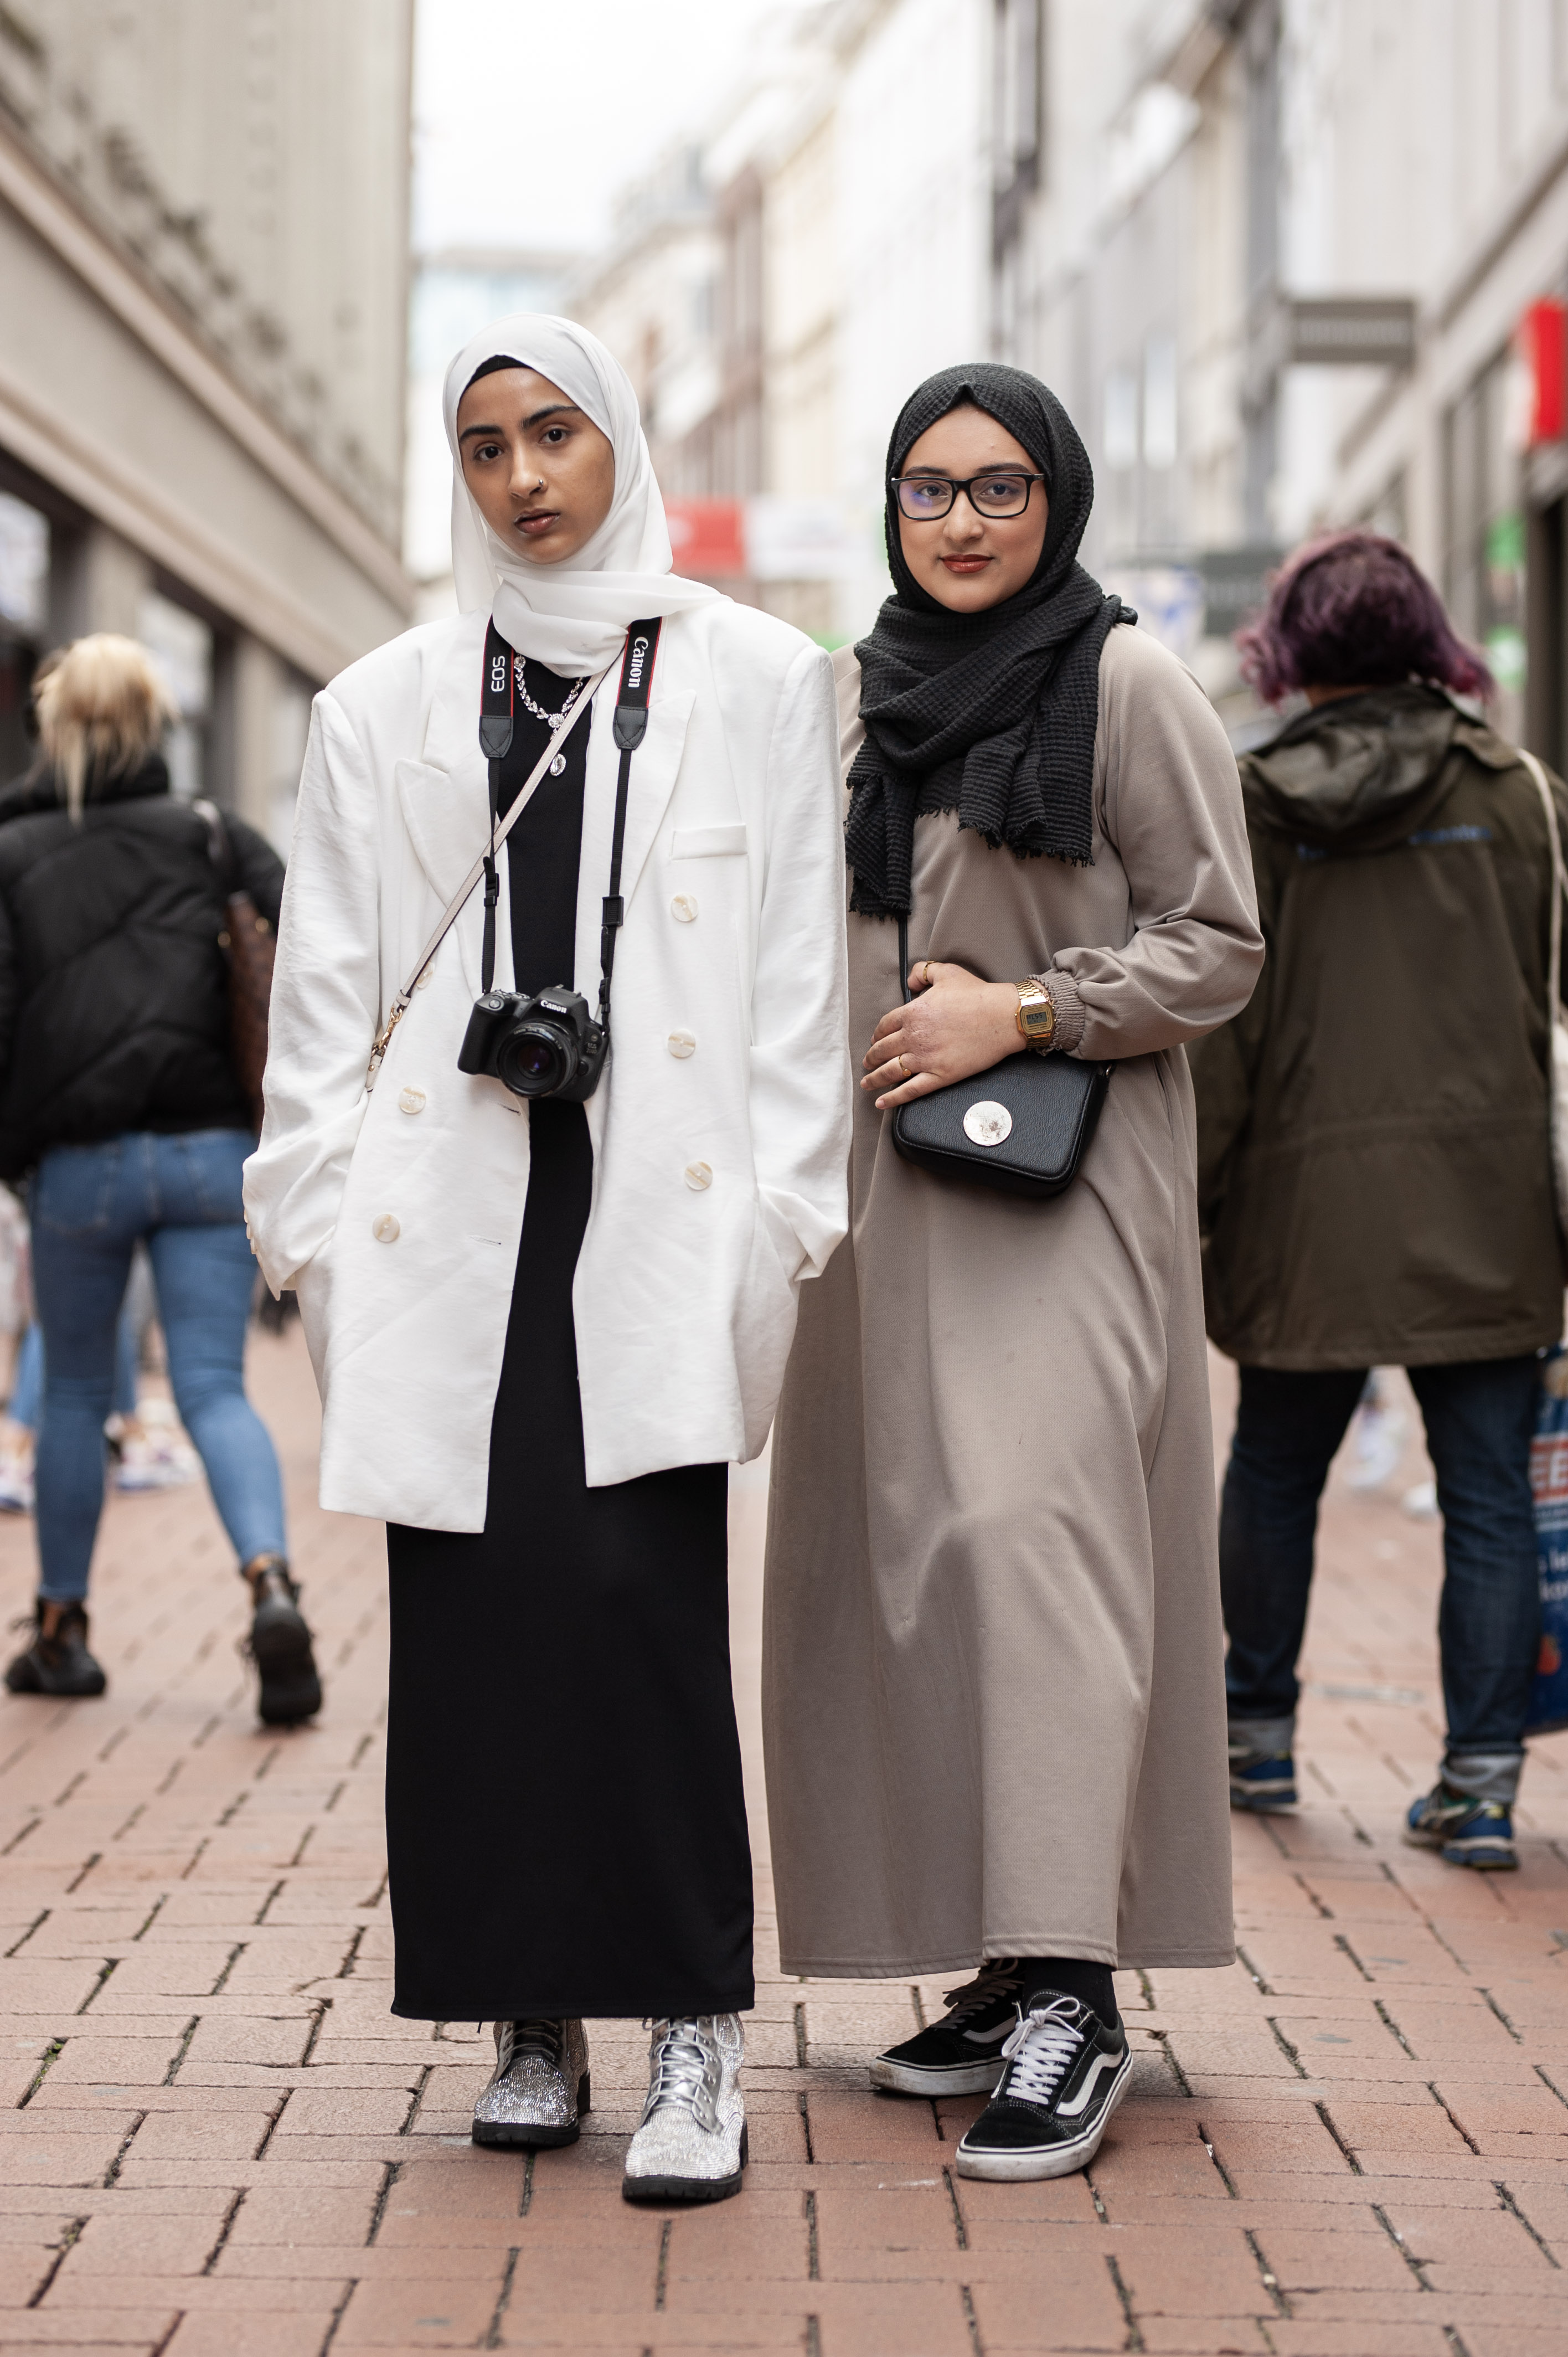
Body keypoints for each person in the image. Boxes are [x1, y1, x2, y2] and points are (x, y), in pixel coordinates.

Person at [243, 314, 848, 2204]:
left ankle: (691, 2025)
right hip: (452, 1213)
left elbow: (797, 994)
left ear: (620, 443)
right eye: (488, 443)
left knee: (645, 1608)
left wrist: (780, 1221)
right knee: (478, 1616)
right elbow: (322, 998)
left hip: (655, 1200)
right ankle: (528, 2010)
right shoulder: (383, 703)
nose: (524, 476)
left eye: (556, 434)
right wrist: (320, 1234)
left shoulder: (756, 676)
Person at [762, 364, 1263, 2183]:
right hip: (883, 1208)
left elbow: (1217, 941)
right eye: (925, 489)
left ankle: (1075, 1990)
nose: (961, 521)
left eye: (995, 486)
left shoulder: (1125, 682)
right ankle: (998, 1947)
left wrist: (1027, 1007)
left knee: (1022, 1538)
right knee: (891, 1562)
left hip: (1069, 1187)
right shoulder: (846, 698)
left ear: (1056, 495)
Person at [1190, 530, 1565, 1871]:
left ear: (1289, 650)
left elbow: (1220, 1031)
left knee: (1278, 1469)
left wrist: (1192, 1206)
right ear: (1429, 636)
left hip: (1305, 1206)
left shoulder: (1247, 798)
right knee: (1488, 1495)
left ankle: (1256, 1736)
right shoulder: (1518, 791)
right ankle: (1477, 1785)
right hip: (1491, 1199)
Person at [0, 635, 316, 1722]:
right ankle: (273, 1583)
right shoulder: (213, 834)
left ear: (57, 729)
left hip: (77, 1165)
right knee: (213, 1388)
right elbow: (314, 943)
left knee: (79, 1396)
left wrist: (19, 1158)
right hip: (207, 1152)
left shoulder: (13, 846)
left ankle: (62, 1629)